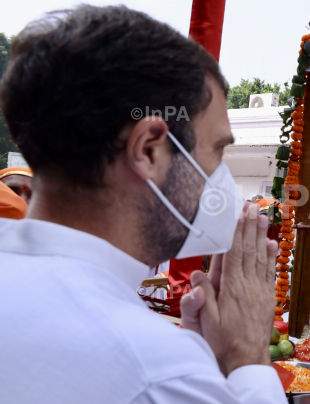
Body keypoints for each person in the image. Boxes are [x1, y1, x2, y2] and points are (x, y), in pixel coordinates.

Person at [0, 5, 285, 404]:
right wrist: (248, 358)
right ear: (149, 150)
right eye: (217, 152)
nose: (222, 179)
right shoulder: (156, 370)